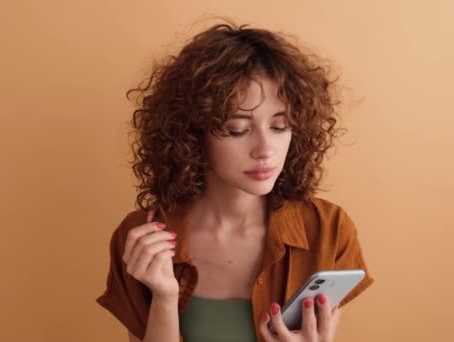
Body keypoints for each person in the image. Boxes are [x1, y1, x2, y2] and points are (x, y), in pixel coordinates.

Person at [96, 19, 374, 342]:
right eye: (238, 130)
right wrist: (164, 299)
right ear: (193, 134)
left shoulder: (328, 231)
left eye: (280, 126)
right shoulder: (142, 239)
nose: (265, 150)